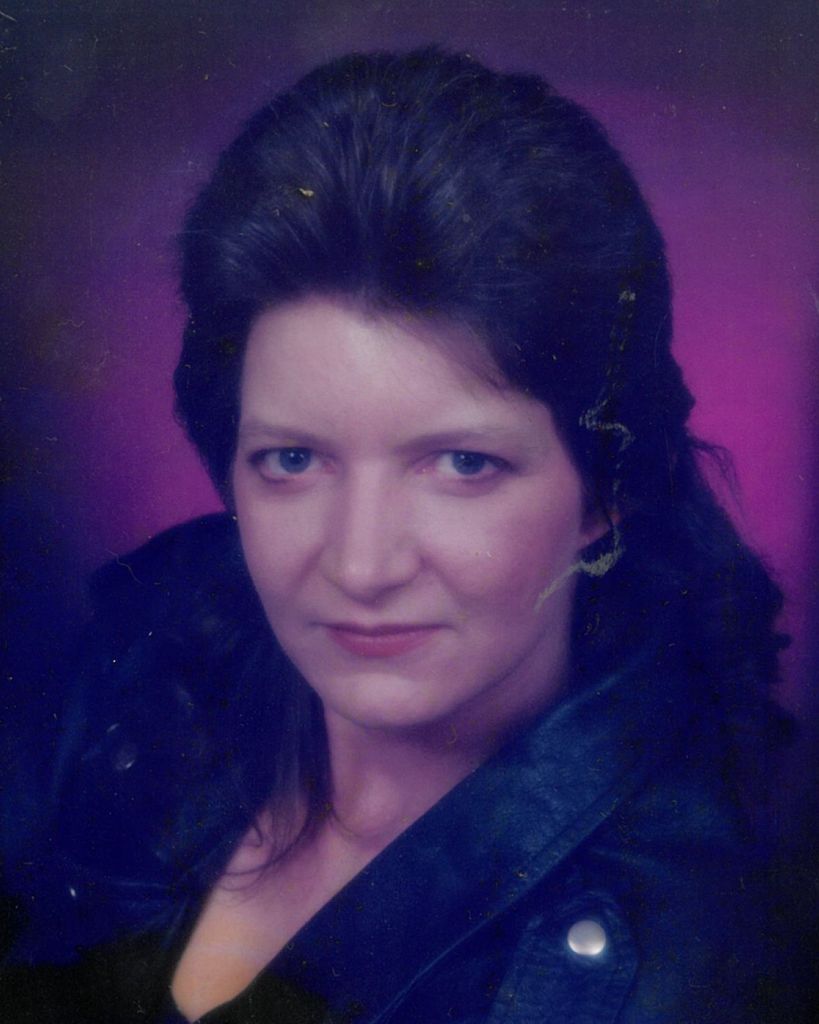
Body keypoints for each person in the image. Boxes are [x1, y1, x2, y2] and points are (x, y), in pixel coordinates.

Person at [1, 47, 802, 1022]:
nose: (360, 564)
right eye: (293, 459)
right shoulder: (134, 661)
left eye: (462, 464)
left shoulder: (702, 945)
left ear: (606, 492)